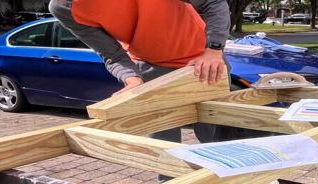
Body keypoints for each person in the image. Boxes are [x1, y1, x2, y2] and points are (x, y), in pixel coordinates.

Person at [49, 0, 236, 144]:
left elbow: (213, 3)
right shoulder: (64, 7)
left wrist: (213, 49)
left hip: (204, 61)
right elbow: (112, 54)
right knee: (163, 146)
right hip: (151, 68)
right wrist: (132, 79)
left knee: (218, 136)